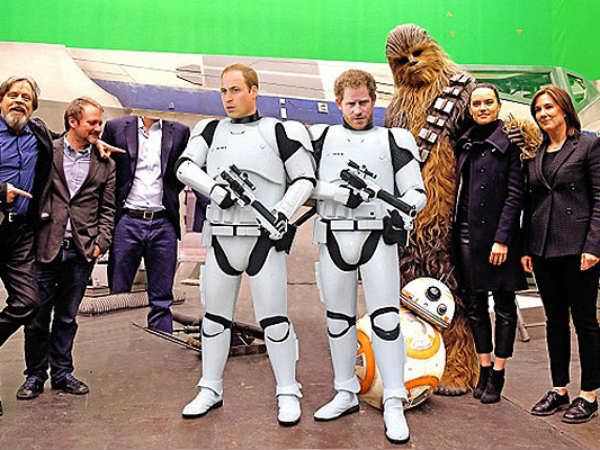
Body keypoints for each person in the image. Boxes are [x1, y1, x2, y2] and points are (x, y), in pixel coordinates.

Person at [176, 64, 315, 426]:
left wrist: (281, 210)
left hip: (262, 240)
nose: (228, 98)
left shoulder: (281, 131)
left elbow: (304, 179)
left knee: (275, 320)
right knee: (214, 319)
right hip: (222, 237)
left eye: (235, 90)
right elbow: (185, 167)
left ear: (254, 91)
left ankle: (288, 389)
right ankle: (210, 387)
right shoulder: (209, 129)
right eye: (224, 91)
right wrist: (214, 190)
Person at [310, 69, 426, 444]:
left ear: (374, 100)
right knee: (338, 318)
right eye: (350, 103)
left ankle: (393, 398)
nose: (358, 110)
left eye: (363, 102)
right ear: (338, 103)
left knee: (387, 319)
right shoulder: (321, 138)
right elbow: (301, 184)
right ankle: (345, 390)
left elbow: (416, 191)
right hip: (334, 234)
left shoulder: (395, 139)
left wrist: (404, 209)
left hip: (378, 235)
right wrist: (336, 193)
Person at [16, 97, 116, 401]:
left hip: (81, 252)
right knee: (37, 318)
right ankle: (35, 375)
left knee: (67, 317)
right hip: (45, 246)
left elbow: (108, 209)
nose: (98, 128)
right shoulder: (48, 151)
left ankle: (62, 373)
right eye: (92, 123)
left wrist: (101, 243)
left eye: (100, 123)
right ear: (72, 121)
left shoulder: (106, 162)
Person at [521, 86, 600, 423]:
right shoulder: (536, 154)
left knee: (585, 322)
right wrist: (527, 247)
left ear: (565, 109)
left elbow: (599, 199)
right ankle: (559, 389)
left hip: (579, 249)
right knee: (554, 322)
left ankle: (589, 395)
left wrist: (594, 246)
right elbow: (530, 205)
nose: (543, 114)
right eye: (538, 109)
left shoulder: (588, 147)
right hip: (543, 250)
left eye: (548, 107)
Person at [453, 84, 527, 404]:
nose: (482, 108)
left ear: (498, 106)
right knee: (475, 304)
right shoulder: (464, 142)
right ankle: (483, 368)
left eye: (488, 102)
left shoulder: (510, 144)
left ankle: (498, 372)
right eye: (477, 104)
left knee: (504, 305)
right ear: (470, 110)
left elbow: (515, 195)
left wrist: (502, 239)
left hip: (498, 238)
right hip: (465, 233)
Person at [101, 115, 190, 333]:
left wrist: (169, 195)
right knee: (119, 293)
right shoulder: (116, 127)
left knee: (162, 296)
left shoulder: (180, 131)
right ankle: (116, 338)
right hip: (127, 220)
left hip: (163, 221)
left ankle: (161, 341)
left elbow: (183, 172)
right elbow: (104, 168)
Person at [0, 76, 54, 415]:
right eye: (13, 94)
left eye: (26, 97)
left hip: (20, 233)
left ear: (33, 107)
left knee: (27, 302)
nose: (19, 100)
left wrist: (94, 144)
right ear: (1, 99)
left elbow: (64, 145)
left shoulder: (38, 133)